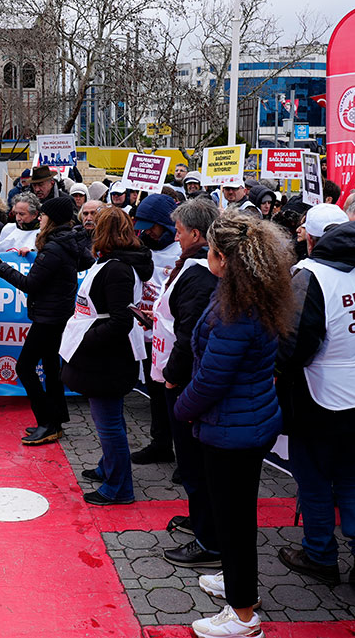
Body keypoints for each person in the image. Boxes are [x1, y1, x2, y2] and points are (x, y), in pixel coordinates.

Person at [174, 211, 296, 638]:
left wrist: (180, 407)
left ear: (224, 258)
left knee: (234, 521)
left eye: (209, 250)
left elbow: (211, 379)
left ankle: (243, 616)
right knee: (236, 516)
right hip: (246, 421)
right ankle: (237, 584)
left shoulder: (237, 309)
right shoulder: (248, 292)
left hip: (232, 429)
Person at [276, 204, 355, 587]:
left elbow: (296, 342)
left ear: (311, 239)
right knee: (354, 475)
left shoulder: (310, 275)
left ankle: (319, 554)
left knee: (314, 477)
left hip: (323, 396)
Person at [60, 208, 153, 505]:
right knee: (110, 419)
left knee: (109, 423)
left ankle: (119, 487)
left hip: (107, 357)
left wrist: (86, 341)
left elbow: (120, 320)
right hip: (106, 354)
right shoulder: (115, 263)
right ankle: (108, 468)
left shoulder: (117, 269)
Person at [0, 196, 92, 446]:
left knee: (24, 367)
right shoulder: (70, 241)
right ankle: (55, 420)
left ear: (51, 219)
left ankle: (47, 422)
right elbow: (82, 262)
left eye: (43, 215)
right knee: (51, 370)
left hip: (48, 318)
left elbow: (29, 284)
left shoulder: (54, 247)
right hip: (59, 314)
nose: (40, 218)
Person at [153, 198, 222, 569]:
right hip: (183, 376)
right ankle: (202, 522)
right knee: (194, 463)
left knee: (195, 465)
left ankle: (209, 541)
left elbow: (189, 333)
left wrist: (172, 378)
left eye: (178, 232)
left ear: (196, 234)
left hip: (185, 381)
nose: (174, 238)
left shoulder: (200, 274)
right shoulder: (196, 268)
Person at [131, 194, 182, 467]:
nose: (147, 231)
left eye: (153, 225)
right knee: (156, 396)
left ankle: (186, 457)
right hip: (149, 337)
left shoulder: (182, 252)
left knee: (177, 400)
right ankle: (160, 444)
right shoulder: (140, 248)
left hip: (175, 342)